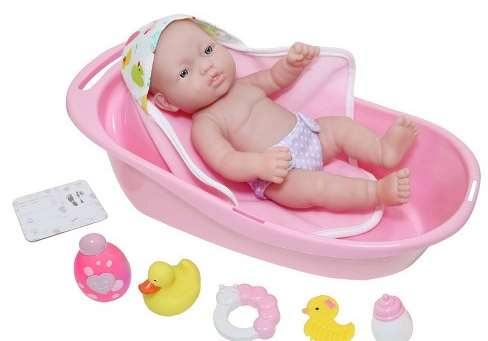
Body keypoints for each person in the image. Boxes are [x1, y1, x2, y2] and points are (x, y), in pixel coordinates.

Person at [146, 18, 419, 211]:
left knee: (341, 127)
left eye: (207, 50)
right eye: (185, 72)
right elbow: (226, 161)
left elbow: (275, 79)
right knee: (318, 188)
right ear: (167, 103)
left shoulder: (243, 85)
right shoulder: (205, 124)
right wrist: (260, 165)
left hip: (310, 135)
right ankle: (375, 193)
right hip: (280, 177)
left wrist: (291, 64)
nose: (206, 66)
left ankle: (383, 150)